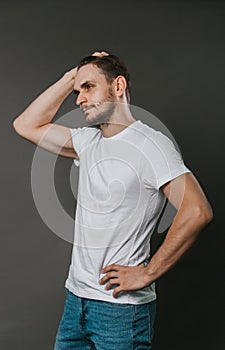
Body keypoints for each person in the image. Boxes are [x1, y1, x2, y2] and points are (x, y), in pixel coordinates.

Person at [13, 51, 213, 350]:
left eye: (88, 87)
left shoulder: (151, 144)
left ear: (118, 87)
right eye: (77, 91)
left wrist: (148, 272)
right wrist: (73, 76)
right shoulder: (87, 142)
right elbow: (26, 125)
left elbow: (197, 210)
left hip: (120, 311)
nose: (79, 100)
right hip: (76, 301)